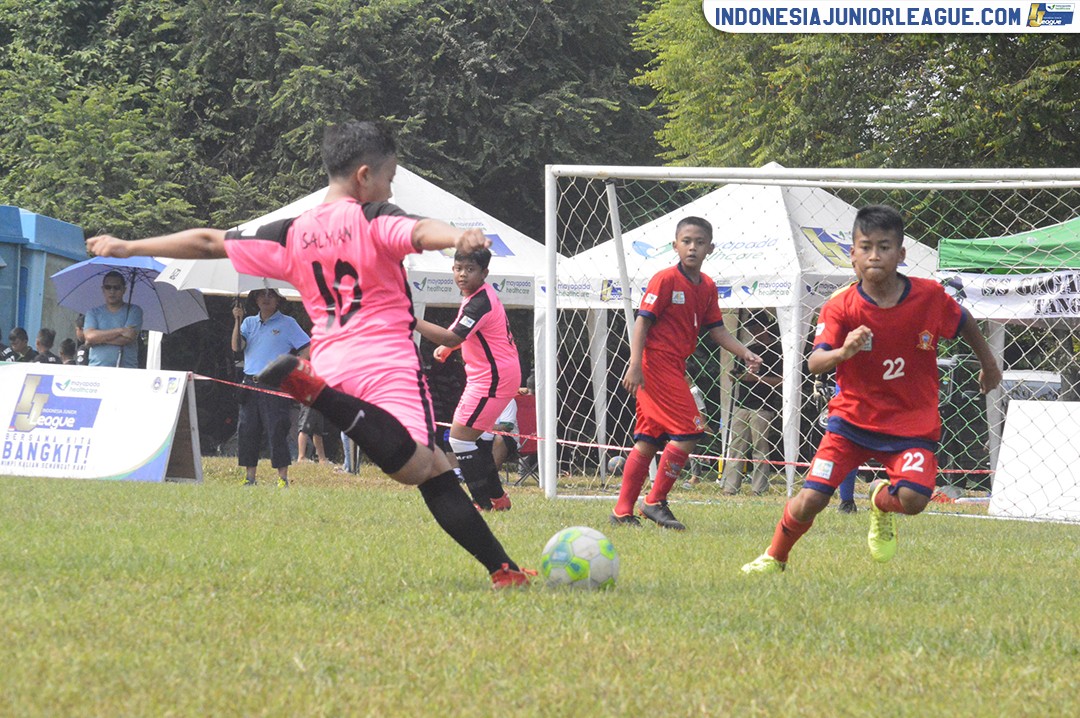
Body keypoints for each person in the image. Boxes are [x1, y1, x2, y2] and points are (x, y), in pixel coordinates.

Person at [86, 119, 533, 588]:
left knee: (437, 468)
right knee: (421, 466)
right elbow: (421, 231)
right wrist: (457, 238)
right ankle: (323, 399)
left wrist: (128, 245)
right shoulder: (374, 218)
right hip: (386, 361)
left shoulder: (291, 233)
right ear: (365, 176)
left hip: (333, 361)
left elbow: (209, 240)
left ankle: (503, 571)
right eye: (389, 176)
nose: (390, 185)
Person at [742, 205, 1002, 575]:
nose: (874, 255)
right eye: (865, 246)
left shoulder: (929, 296)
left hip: (911, 422)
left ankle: (881, 499)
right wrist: (844, 351)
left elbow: (965, 322)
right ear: (852, 254)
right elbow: (814, 363)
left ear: (901, 254)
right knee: (811, 499)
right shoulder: (840, 307)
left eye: (884, 246)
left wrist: (989, 365)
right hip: (851, 421)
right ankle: (775, 556)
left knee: (913, 500)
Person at [612, 216, 762, 530]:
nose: (692, 248)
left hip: (675, 366)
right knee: (690, 431)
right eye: (686, 242)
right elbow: (642, 321)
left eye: (699, 242)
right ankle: (654, 501)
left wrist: (744, 351)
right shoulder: (665, 279)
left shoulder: (707, 285)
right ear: (675, 245)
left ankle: (622, 511)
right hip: (656, 366)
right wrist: (634, 365)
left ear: (710, 248)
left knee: (649, 440)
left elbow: (717, 330)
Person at [415, 247, 521, 511]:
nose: (462, 274)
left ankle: (482, 502)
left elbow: (454, 336)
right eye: (458, 268)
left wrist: (411, 320)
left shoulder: (480, 301)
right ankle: (497, 499)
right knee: (473, 439)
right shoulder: (476, 296)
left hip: (494, 377)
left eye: (470, 269)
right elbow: (463, 329)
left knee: (459, 438)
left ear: (484, 273)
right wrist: (450, 348)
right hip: (491, 375)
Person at [232, 290, 311, 486]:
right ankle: (250, 477)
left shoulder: (288, 323)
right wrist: (236, 320)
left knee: (277, 430)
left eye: (271, 295)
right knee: (248, 430)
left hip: (275, 385)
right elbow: (236, 347)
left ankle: (282, 478)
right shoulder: (249, 322)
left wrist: (292, 369)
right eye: (262, 295)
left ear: (278, 300)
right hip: (250, 383)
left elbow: (307, 347)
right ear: (256, 300)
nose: (266, 299)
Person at [722, 317, 783, 496]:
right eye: (751, 328)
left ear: (765, 327)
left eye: (757, 327)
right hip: (743, 403)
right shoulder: (749, 350)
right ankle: (730, 488)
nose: (754, 332)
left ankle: (758, 488)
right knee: (736, 447)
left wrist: (755, 378)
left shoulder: (777, 350)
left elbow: (780, 380)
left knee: (760, 449)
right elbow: (736, 374)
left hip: (763, 406)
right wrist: (738, 376)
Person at [83, 271, 142, 368]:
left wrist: (97, 339)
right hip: (97, 369)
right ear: (103, 289)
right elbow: (90, 336)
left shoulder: (134, 310)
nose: (112, 291)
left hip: (126, 370)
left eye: (117, 287)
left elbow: (128, 338)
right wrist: (120, 330)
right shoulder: (93, 312)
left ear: (124, 289)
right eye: (108, 287)